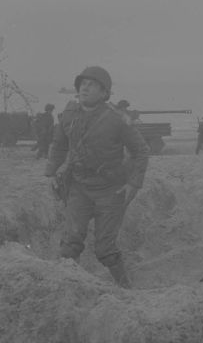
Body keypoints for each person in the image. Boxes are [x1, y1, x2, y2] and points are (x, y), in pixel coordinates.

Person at [45, 66, 149, 288]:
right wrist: (51, 172)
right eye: (83, 83)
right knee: (69, 244)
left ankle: (126, 290)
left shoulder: (118, 119)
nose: (85, 87)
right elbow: (59, 145)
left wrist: (134, 183)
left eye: (92, 84)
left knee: (105, 249)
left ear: (104, 93)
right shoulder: (69, 115)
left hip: (110, 191)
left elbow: (141, 151)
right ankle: (67, 290)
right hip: (79, 187)